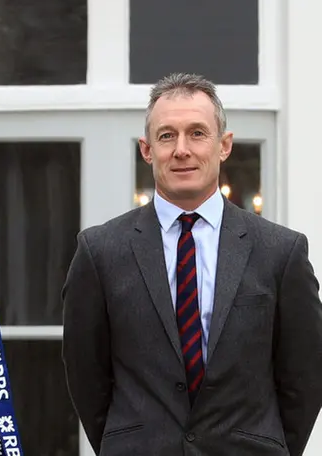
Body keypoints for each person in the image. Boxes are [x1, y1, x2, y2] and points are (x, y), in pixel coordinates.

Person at [62, 72, 322, 455]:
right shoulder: (100, 252)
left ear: (224, 145)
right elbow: (87, 375)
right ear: (147, 150)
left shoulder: (281, 252)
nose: (181, 149)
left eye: (197, 133)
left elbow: (305, 376)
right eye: (167, 135)